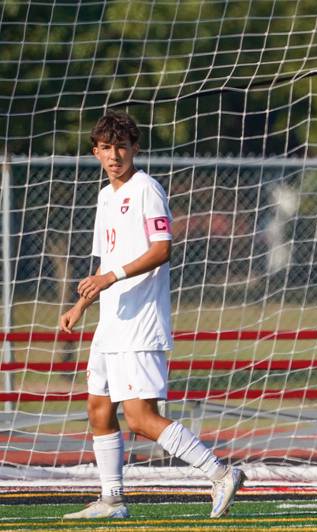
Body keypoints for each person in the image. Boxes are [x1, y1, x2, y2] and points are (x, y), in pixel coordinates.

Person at [59, 111, 245, 519]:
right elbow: (105, 263)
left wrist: (112, 276)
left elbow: (163, 249)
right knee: (98, 408)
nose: (115, 155)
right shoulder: (105, 196)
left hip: (140, 323)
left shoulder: (147, 189)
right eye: (106, 148)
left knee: (141, 418)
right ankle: (112, 500)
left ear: (135, 149)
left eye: (122, 147)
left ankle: (220, 472)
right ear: (96, 152)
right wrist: (80, 304)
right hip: (111, 323)